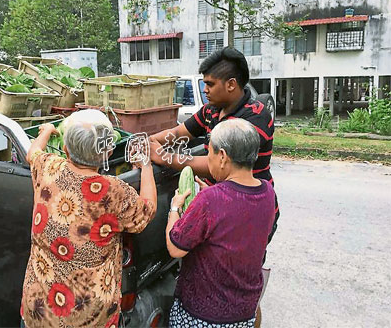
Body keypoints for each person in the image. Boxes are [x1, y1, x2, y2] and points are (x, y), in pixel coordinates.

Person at [21, 109, 157, 328]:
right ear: (108, 153)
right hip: (89, 317)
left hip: (38, 310)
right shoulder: (114, 191)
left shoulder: (49, 167)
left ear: (65, 150)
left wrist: (46, 131)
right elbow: (147, 211)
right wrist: (146, 166)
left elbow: (33, 153)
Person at [150, 46, 279, 244]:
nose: (205, 90)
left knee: (239, 266)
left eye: (210, 84)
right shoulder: (212, 110)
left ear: (231, 84)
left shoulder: (255, 118)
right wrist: (152, 141)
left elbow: (217, 165)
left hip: (249, 209)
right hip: (219, 206)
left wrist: (165, 157)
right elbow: (179, 133)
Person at [165, 119, 276, 328]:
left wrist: (175, 209)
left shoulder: (211, 200)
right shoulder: (267, 192)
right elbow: (238, 217)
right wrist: (211, 194)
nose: (208, 159)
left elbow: (176, 248)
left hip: (203, 317)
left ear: (223, 157)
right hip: (244, 313)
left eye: (210, 154)